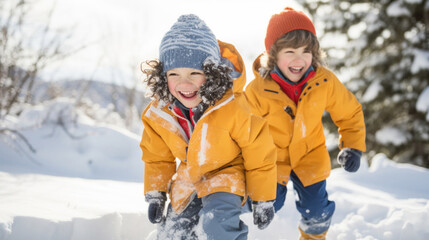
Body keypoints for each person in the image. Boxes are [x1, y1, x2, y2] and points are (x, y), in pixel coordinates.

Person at [140, 14, 277, 240]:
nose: (184, 83)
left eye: (195, 73)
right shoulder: (160, 113)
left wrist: (263, 198)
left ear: (211, 73)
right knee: (174, 233)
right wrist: (156, 193)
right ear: (164, 77)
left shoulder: (232, 107)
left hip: (226, 174)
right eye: (174, 74)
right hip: (188, 178)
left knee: (218, 228)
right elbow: (157, 156)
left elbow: (259, 152)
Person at [244, 7, 366, 240]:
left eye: (306, 51)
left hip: (309, 155)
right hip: (271, 160)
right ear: (273, 55)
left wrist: (352, 146)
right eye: (290, 51)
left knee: (317, 211)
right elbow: (242, 130)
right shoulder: (258, 90)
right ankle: (224, 212)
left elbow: (349, 111)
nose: (299, 59)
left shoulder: (324, 81)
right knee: (269, 203)